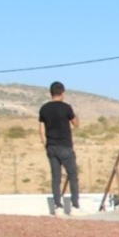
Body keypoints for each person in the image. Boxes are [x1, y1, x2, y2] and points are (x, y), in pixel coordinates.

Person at [38, 81, 82, 216]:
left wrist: (46, 144)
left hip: (51, 146)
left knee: (56, 177)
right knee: (72, 175)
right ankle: (75, 206)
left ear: (51, 93)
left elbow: (41, 130)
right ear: (62, 93)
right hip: (65, 146)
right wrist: (76, 116)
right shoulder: (66, 108)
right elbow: (76, 124)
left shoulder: (44, 109)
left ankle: (57, 206)